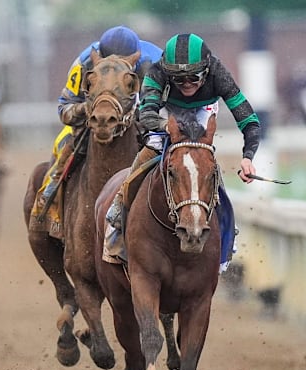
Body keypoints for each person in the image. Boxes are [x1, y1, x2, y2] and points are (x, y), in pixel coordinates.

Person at [103, 33, 261, 262]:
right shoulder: (157, 71)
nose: (187, 83)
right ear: (169, 74)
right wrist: (167, 125)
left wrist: (248, 157)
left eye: (194, 77)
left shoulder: (218, 73)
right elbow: (146, 115)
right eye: (179, 79)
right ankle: (118, 213)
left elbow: (249, 121)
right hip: (166, 113)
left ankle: (227, 234)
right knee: (147, 153)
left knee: (207, 167)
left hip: (203, 111)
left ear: (206, 70)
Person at [31, 26, 163, 233]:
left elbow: (168, 110)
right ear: (98, 59)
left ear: (135, 61)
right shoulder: (84, 63)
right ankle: (51, 194)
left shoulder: (156, 63)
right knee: (64, 141)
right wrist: (88, 108)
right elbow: (64, 109)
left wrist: (141, 115)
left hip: (141, 117)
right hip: (93, 118)